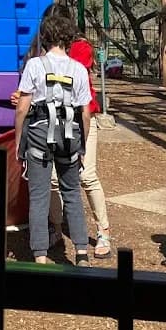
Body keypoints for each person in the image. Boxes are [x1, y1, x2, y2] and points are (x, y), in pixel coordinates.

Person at [14, 13, 92, 267]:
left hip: (39, 135)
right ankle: (81, 251)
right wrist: (82, 146)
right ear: (69, 39)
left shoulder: (34, 66)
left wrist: (18, 142)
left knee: (39, 196)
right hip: (69, 136)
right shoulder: (79, 69)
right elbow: (85, 112)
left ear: (44, 38)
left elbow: (22, 107)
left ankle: (40, 254)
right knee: (72, 193)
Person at [48, 33, 112, 258]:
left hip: (82, 118)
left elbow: (76, 79)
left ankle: (103, 230)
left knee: (87, 175)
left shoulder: (80, 48)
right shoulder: (42, 51)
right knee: (54, 179)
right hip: (55, 119)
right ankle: (55, 227)